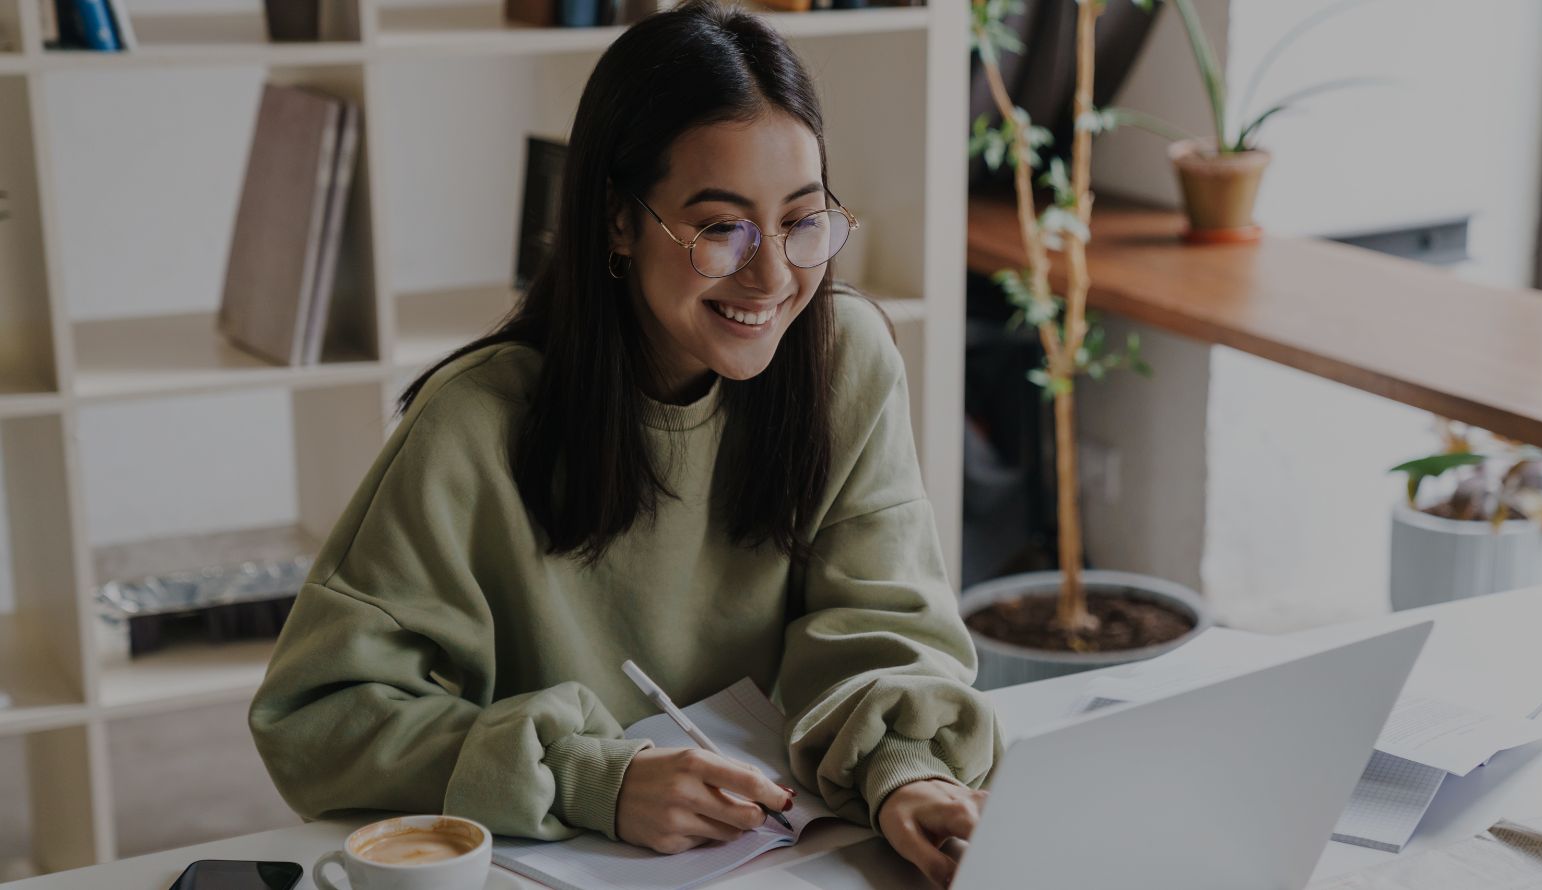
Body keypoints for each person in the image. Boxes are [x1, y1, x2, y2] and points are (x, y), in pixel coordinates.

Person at [248, 1, 1000, 884]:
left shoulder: (846, 361)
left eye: (803, 220)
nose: (773, 276)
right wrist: (590, 776)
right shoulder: (474, 424)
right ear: (617, 219)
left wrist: (905, 770)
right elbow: (317, 719)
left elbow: (880, 627)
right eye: (722, 228)